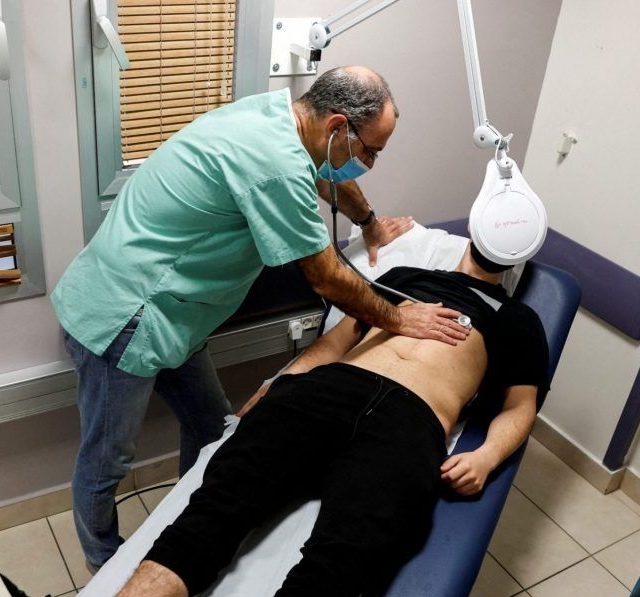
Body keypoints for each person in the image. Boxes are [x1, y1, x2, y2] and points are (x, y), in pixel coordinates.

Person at [0, 238, 550, 597]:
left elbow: (520, 406)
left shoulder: (520, 322)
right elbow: (337, 340)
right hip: (327, 392)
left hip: (413, 420)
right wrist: (283, 381)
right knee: (221, 500)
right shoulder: (403, 274)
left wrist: (484, 456)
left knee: (345, 556)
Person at [50, 65, 470, 570]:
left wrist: (371, 224)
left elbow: (323, 171)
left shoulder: (278, 115)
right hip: (125, 316)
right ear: (337, 125)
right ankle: (103, 567)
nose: (371, 164)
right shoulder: (274, 162)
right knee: (106, 461)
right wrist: (399, 319)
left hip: (177, 317)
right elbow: (328, 278)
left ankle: (181, 530)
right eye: (370, 151)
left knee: (212, 427)